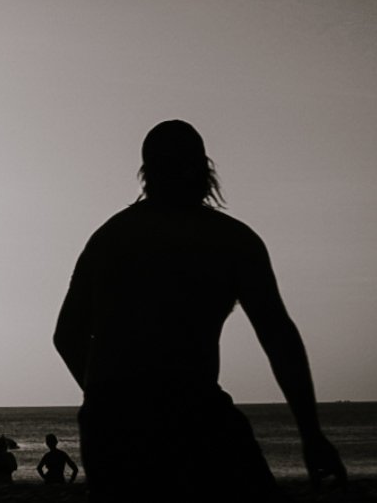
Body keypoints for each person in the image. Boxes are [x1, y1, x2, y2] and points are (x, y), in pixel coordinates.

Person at [53, 119, 347, 502]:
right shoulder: (232, 241)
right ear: (206, 169)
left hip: (117, 420)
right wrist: (310, 433)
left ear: (146, 173)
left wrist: (105, 400)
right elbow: (278, 336)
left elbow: (66, 335)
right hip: (191, 408)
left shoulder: (110, 238)